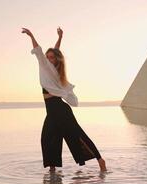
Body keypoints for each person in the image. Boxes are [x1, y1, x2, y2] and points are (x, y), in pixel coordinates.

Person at [21, 27, 107, 172]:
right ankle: (52, 169)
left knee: (77, 135)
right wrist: (60, 38)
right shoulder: (49, 68)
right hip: (53, 111)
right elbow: (55, 50)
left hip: (60, 110)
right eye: (47, 57)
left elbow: (40, 51)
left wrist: (31, 36)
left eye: (51, 57)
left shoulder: (51, 69)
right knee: (49, 137)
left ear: (56, 60)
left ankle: (100, 160)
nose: (48, 59)